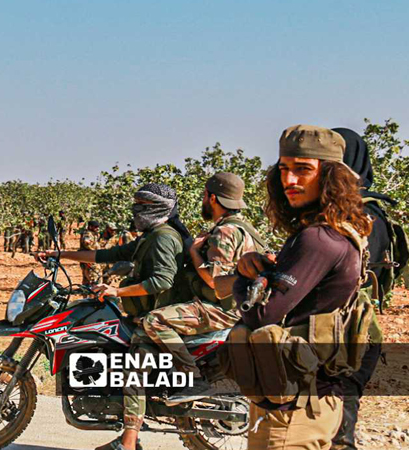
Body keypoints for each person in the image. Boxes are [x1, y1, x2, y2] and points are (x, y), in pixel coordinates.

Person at [234, 125, 372, 450]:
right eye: (284, 169)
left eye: (303, 170)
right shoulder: (340, 232)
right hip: (308, 399)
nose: (289, 181)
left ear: (330, 176)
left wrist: (243, 279)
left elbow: (261, 315)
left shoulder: (318, 239)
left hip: (292, 412)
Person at [40, 183, 192, 450]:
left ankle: (129, 443)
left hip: (155, 318)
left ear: (157, 208)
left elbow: (163, 280)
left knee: (132, 372)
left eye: (142, 206)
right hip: (141, 314)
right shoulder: (150, 235)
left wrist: (117, 289)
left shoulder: (164, 237)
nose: (135, 211)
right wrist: (60, 254)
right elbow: (105, 254)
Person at [154, 172, 267, 406]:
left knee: (154, 321)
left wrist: (195, 253)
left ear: (212, 198)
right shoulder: (246, 229)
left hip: (224, 309)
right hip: (241, 306)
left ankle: (192, 379)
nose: (204, 201)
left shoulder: (224, 232)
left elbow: (216, 283)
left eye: (205, 196)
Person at [330, 127, 389, 450]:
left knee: (337, 430)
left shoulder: (355, 216)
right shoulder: (375, 213)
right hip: (361, 332)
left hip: (345, 332)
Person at [79, 220, 102, 284]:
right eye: (95, 227)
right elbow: (86, 243)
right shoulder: (88, 234)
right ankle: (94, 291)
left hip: (90, 258)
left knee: (87, 276)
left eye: (98, 227)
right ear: (90, 227)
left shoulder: (93, 234)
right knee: (93, 276)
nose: (97, 228)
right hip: (89, 258)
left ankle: (86, 290)